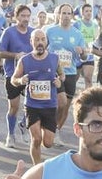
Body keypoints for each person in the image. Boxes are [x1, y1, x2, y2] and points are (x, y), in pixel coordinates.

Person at [10, 28, 63, 166]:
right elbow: (13, 79)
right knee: (36, 139)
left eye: (43, 39)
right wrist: (20, 80)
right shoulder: (24, 60)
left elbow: (62, 75)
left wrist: (59, 81)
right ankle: (37, 168)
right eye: (37, 39)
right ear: (31, 41)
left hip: (50, 105)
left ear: (46, 41)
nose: (40, 42)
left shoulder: (54, 58)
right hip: (32, 105)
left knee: (48, 143)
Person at [45, 3, 87, 143]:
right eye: (64, 13)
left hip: (71, 72)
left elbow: (84, 56)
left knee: (65, 107)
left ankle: (56, 131)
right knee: (61, 102)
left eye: (69, 13)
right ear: (58, 15)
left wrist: (82, 52)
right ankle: (50, 128)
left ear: (72, 16)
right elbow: (41, 49)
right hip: (54, 72)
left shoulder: (77, 34)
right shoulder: (50, 31)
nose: (66, 16)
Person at [0, 5, 34, 148]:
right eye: (23, 16)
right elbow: (0, 53)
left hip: (30, 74)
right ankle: (11, 134)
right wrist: (15, 55)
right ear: (16, 17)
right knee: (14, 107)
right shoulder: (9, 32)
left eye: (28, 16)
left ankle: (23, 124)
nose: (26, 19)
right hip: (12, 74)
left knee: (32, 105)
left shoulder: (33, 32)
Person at [74, 3, 99, 91]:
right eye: (86, 11)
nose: (89, 13)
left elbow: (96, 40)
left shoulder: (95, 25)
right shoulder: (77, 24)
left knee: (88, 79)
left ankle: (89, 97)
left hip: (89, 55)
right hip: (77, 56)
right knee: (74, 80)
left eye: (90, 11)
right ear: (82, 13)